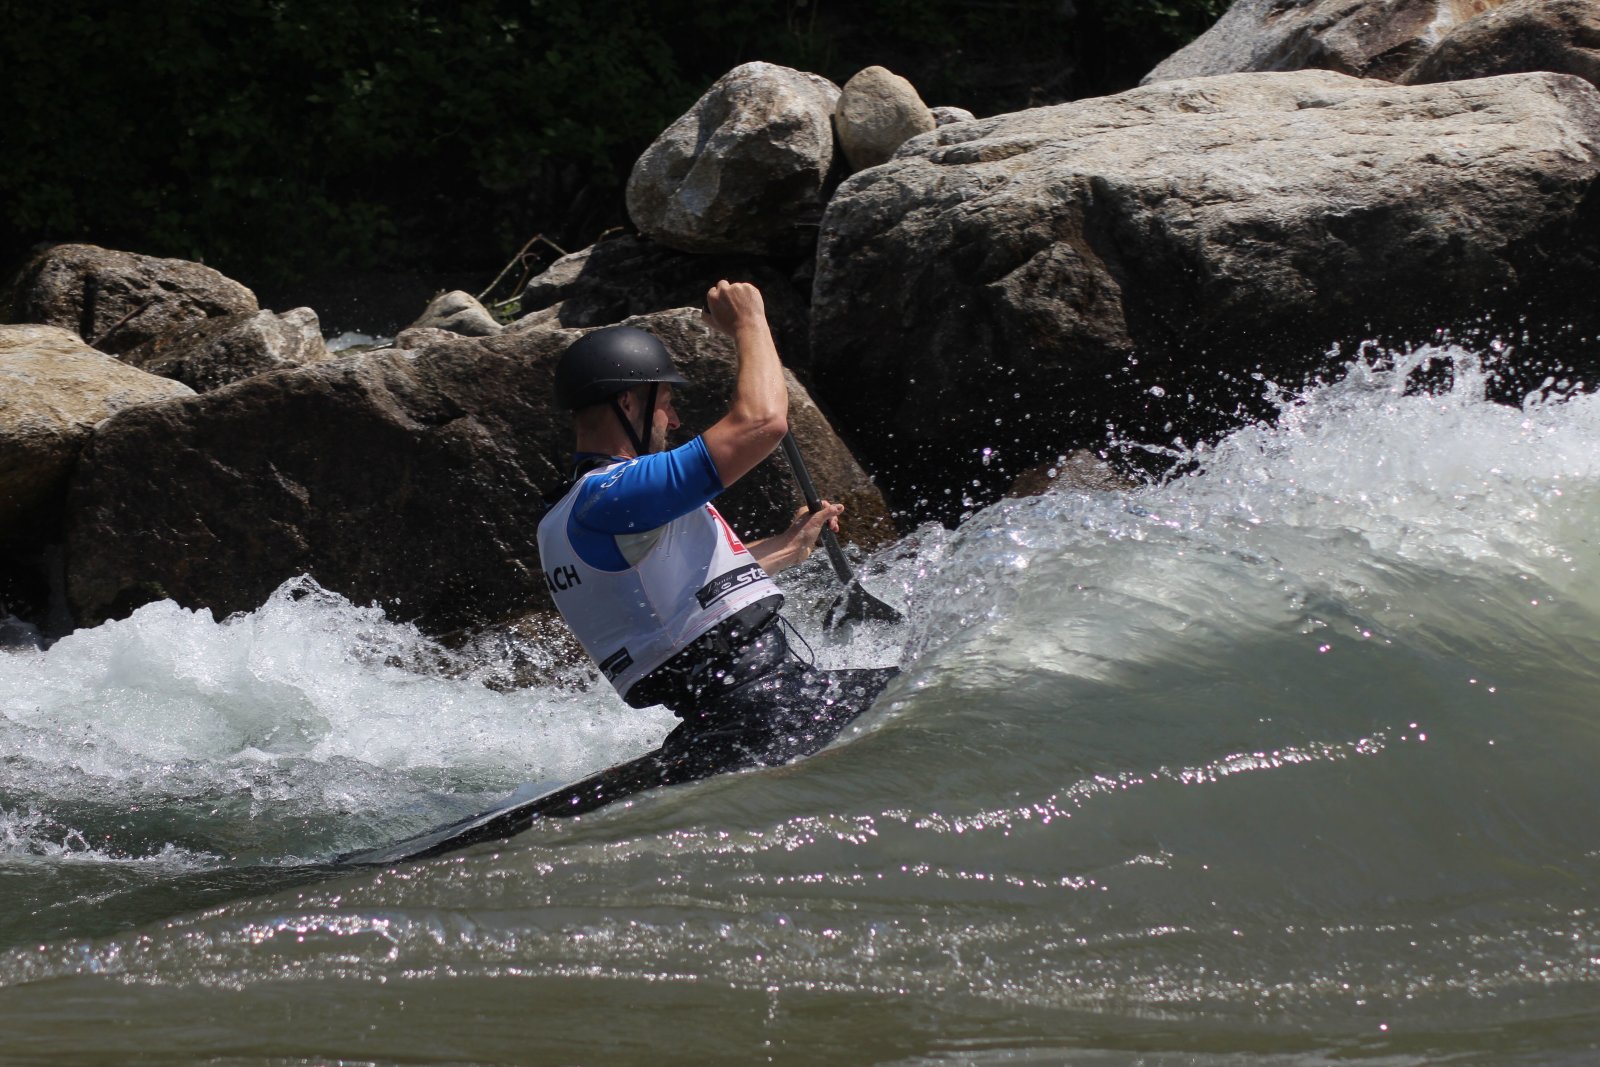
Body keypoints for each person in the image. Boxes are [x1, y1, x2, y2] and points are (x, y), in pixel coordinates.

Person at [536, 280, 898, 789]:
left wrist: (788, 547)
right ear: (628, 403)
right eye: (666, 402)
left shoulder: (570, 513)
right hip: (770, 705)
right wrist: (749, 321)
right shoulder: (616, 492)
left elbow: (665, 602)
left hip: (727, 715)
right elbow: (762, 422)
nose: (677, 418)